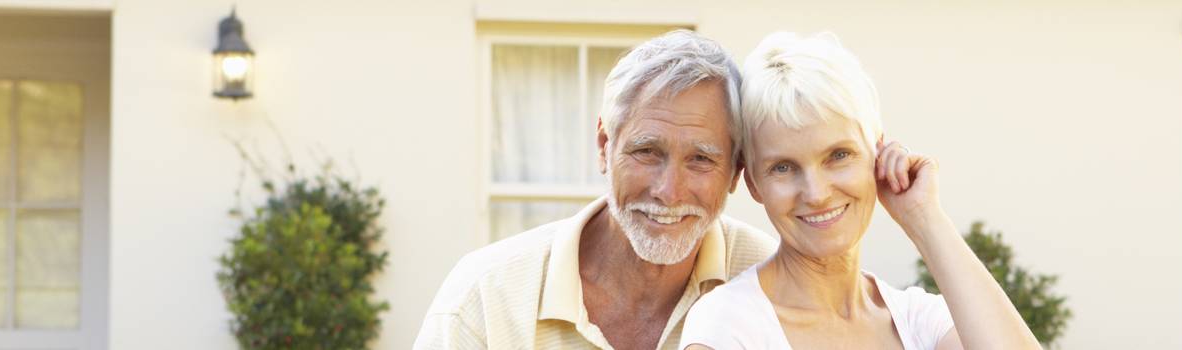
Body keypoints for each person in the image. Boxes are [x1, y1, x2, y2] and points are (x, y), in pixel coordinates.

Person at [414, 30, 779, 350]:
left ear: (736, 170)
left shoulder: (777, 283)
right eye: (647, 152)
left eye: (700, 159)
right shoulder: (485, 296)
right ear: (605, 146)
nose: (669, 192)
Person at [679, 32, 1042, 350]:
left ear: (877, 153)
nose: (817, 193)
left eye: (838, 155)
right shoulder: (728, 325)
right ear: (754, 184)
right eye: (783, 167)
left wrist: (923, 218)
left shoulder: (918, 319)